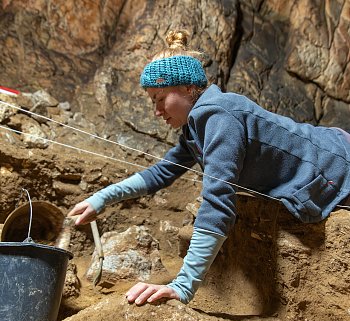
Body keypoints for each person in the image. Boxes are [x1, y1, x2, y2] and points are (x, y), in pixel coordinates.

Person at [68, 29, 350, 306]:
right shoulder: (195, 129)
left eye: (159, 98)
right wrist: (100, 199)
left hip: (339, 166)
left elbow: (218, 202)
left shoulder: (219, 117)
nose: (156, 111)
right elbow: (161, 173)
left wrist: (183, 285)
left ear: (189, 88)